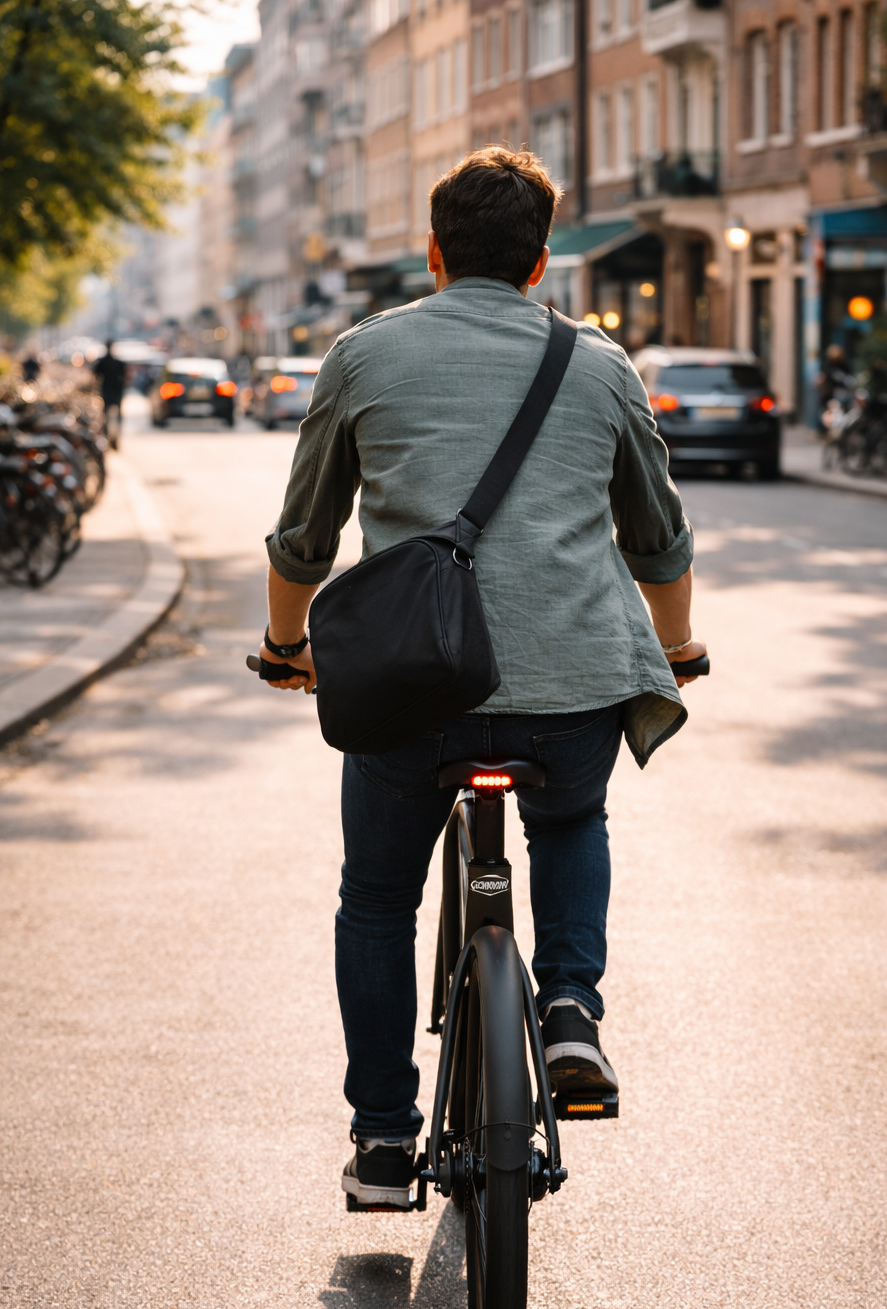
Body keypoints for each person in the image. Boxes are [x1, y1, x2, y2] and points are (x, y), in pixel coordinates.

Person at [260, 149, 705, 1208]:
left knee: (375, 896)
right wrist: (676, 648)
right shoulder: (599, 367)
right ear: (543, 262)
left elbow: (303, 537)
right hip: (568, 689)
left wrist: (288, 649)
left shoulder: (363, 355)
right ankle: (567, 1014)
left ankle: (379, 1140)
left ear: (431, 250)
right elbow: (660, 539)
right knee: (568, 822)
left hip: (413, 693)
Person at [93, 341, 126, 450]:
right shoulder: (118, 362)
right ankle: (115, 439)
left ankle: (107, 438)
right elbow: (124, 376)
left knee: (105, 416)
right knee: (118, 417)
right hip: (116, 391)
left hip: (107, 390)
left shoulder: (103, 362)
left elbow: (96, 374)